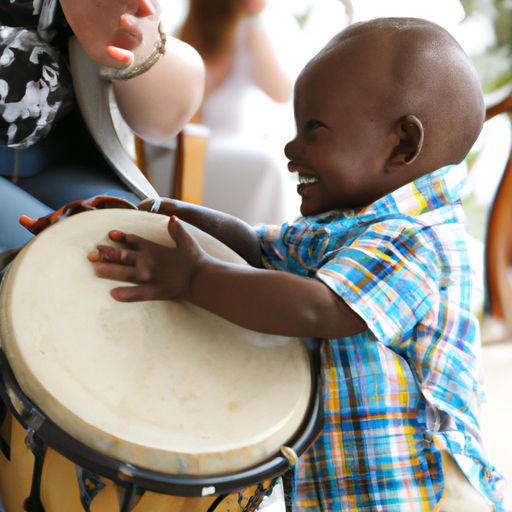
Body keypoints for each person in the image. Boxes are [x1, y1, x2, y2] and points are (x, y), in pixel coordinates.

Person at [89, 17, 507, 511]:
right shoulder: (347, 226)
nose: (292, 150)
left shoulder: (418, 238)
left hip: (421, 495)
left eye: (314, 131)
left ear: (402, 144)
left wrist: (195, 277)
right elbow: (256, 246)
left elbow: (317, 309)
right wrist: (168, 211)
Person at [0, 0, 205, 252]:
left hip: (67, 164)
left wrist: (136, 39)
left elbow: (162, 123)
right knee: (51, 262)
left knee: (135, 241)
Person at [145, 0, 298, 225]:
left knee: (268, 165)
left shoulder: (249, 35)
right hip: (184, 151)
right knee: (267, 166)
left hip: (233, 151)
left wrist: (255, 20)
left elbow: (281, 92)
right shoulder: (180, 37)